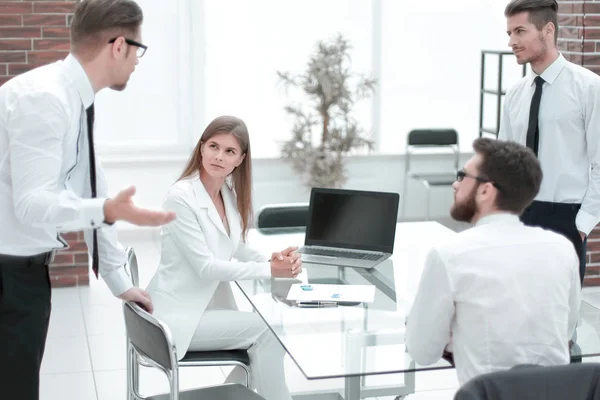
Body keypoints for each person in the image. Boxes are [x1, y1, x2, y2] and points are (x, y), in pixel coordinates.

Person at [0, 1, 176, 399]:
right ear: (118, 45)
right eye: (138, 50)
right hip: (8, 280)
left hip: (22, 277)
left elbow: (91, 186)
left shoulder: (71, 97)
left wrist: (119, 281)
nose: (137, 61)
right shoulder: (44, 99)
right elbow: (31, 204)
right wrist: (107, 210)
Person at [146, 115, 302, 400]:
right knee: (269, 333)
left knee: (269, 333)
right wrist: (269, 270)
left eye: (229, 151)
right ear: (202, 148)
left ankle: (235, 395)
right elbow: (206, 268)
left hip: (202, 308)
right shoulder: (180, 197)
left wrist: (273, 258)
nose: (219, 156)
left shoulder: (225, 193)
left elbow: (237, 246)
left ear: (240, 159)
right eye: (214, 146)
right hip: (178, 317)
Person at [405, 138, 581, 385]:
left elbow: (422, 352)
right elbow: (565, 331)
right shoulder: (563, 250)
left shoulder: (450, 255)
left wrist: (453, 333)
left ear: (486, 190)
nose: (455, 184)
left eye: (462, 175)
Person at [499, 0, 600, 285]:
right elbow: (504, 161)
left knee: (560, 319)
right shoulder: (515, 94)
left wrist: (582, 224)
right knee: (517, 307)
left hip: (564, 219)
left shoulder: (588, 88)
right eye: (509, 34)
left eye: (520, 31)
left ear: (547, 30)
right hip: (518, 215)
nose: (512, 42)